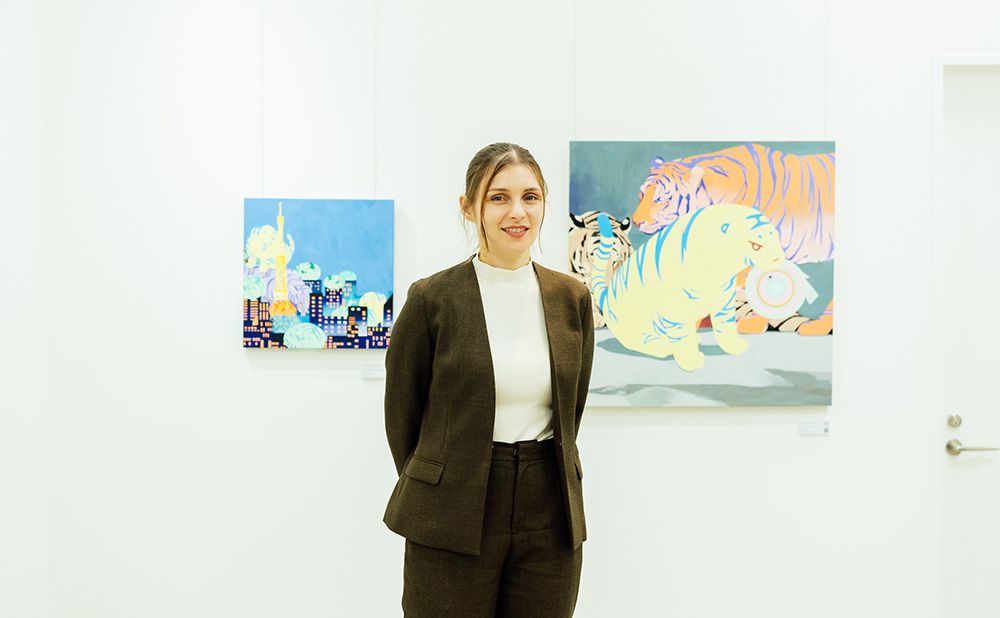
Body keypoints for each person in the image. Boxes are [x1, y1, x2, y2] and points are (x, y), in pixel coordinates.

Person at [382, 142, 595, 617]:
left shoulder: (571, 299)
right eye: (498, 197)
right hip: (452, 505)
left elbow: (571, 408)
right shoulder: (432, 299)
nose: (517, 212)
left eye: (530, 197)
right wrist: (440, 478)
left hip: (549, 504)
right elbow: (403, 414)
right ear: (468, 207)